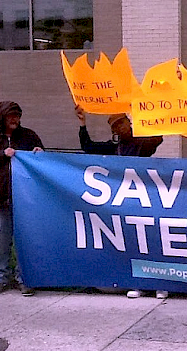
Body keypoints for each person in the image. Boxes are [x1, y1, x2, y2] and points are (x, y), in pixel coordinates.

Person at [74, 105, 166, 299]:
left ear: (128, 122)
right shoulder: (116, 147)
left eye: (121, 123)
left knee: (150, 241)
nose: (119, 129)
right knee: (133, 242)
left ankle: (158, 283)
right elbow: (88, 147)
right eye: (115, 127)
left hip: (144, 201)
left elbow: (157, 138)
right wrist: (83, 124)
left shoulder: (142, 142)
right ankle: (138, 283)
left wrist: (145, 116)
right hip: (124, 202)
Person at [0, 101, 44, 297]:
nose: (15, 120)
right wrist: (1, 154)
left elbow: (42, 162)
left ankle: (25, 278)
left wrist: (39, 154)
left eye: (17, 116)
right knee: (1, 242)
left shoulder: (29, 136)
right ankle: (0, 278)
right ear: (1, 118)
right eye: (10, 116)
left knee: (25, 241)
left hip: (25, 200)